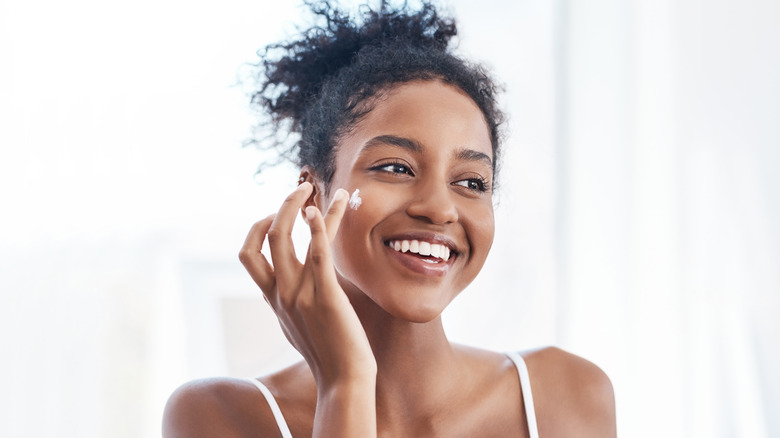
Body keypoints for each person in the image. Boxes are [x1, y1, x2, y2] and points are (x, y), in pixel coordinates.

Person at [163, 1, 616, 436]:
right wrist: (346, 385)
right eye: (396, 168)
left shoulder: (565, 395)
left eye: (472, 182)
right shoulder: (217, 418)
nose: (439, 208)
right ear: (312, 195)